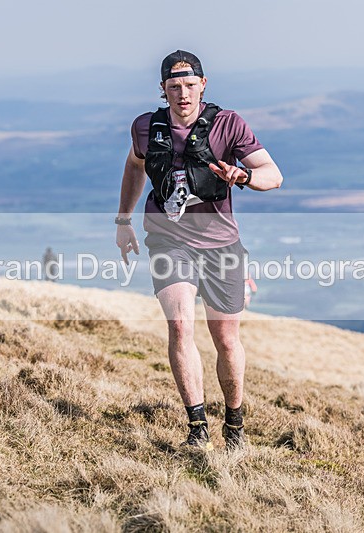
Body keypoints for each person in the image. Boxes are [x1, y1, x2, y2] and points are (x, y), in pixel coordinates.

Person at [115, 50, 283, 451]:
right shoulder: (145, 127)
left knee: (225, 340)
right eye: (174, 87)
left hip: (220, 244)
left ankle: (235, 424)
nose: (183, 94)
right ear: (163, 90)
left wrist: (242, 176)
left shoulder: (228, 124)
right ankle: (196, 427)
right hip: (168, 238)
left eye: (190, 85)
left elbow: (273, 176)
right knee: (179, 326)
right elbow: (135, 166)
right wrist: (123, 220)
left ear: (203, 85)